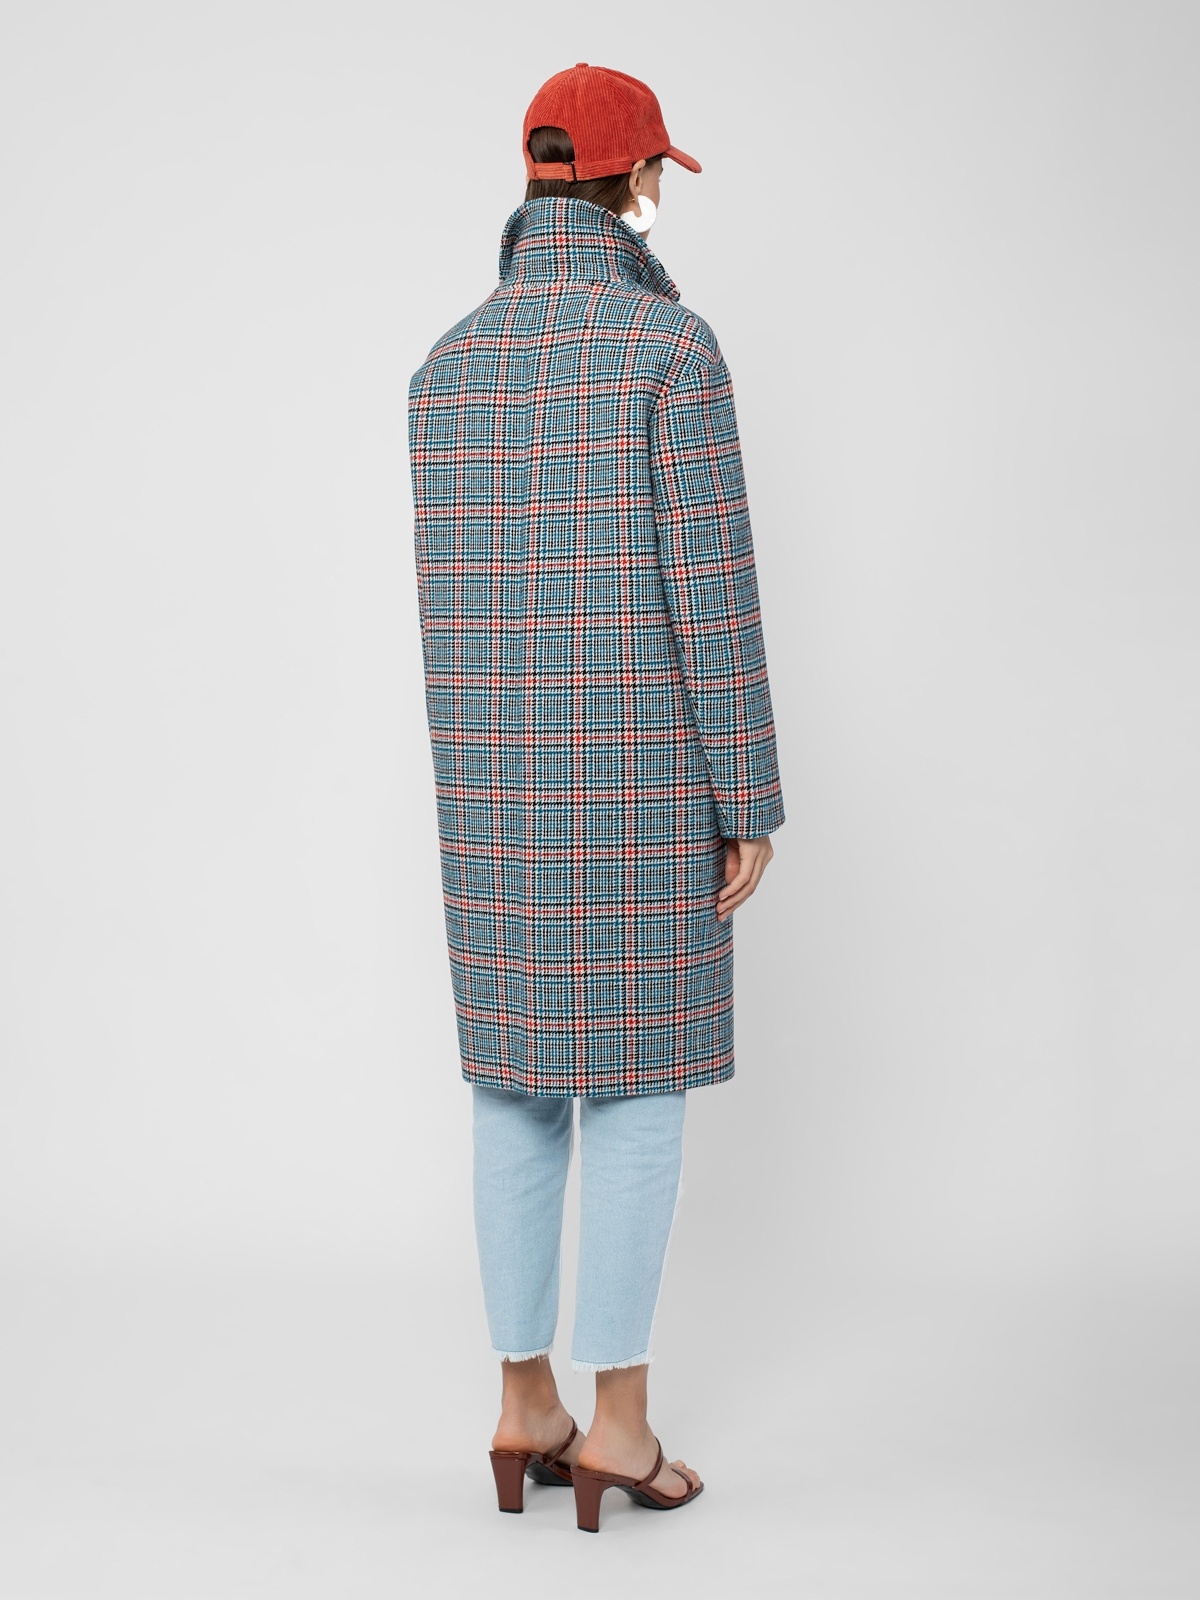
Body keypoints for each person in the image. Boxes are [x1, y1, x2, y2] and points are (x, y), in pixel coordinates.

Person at [408, 63, 786, 1533]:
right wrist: (747, 791)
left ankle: (525, 1407)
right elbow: (714, 593)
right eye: (652, 176)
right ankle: (617, 1425)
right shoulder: (670, 351)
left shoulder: (446, 369)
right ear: (633, 183)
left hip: (492, 786)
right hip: (641, 777)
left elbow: (450, 611)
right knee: (631, 1087)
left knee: (513, 1084)